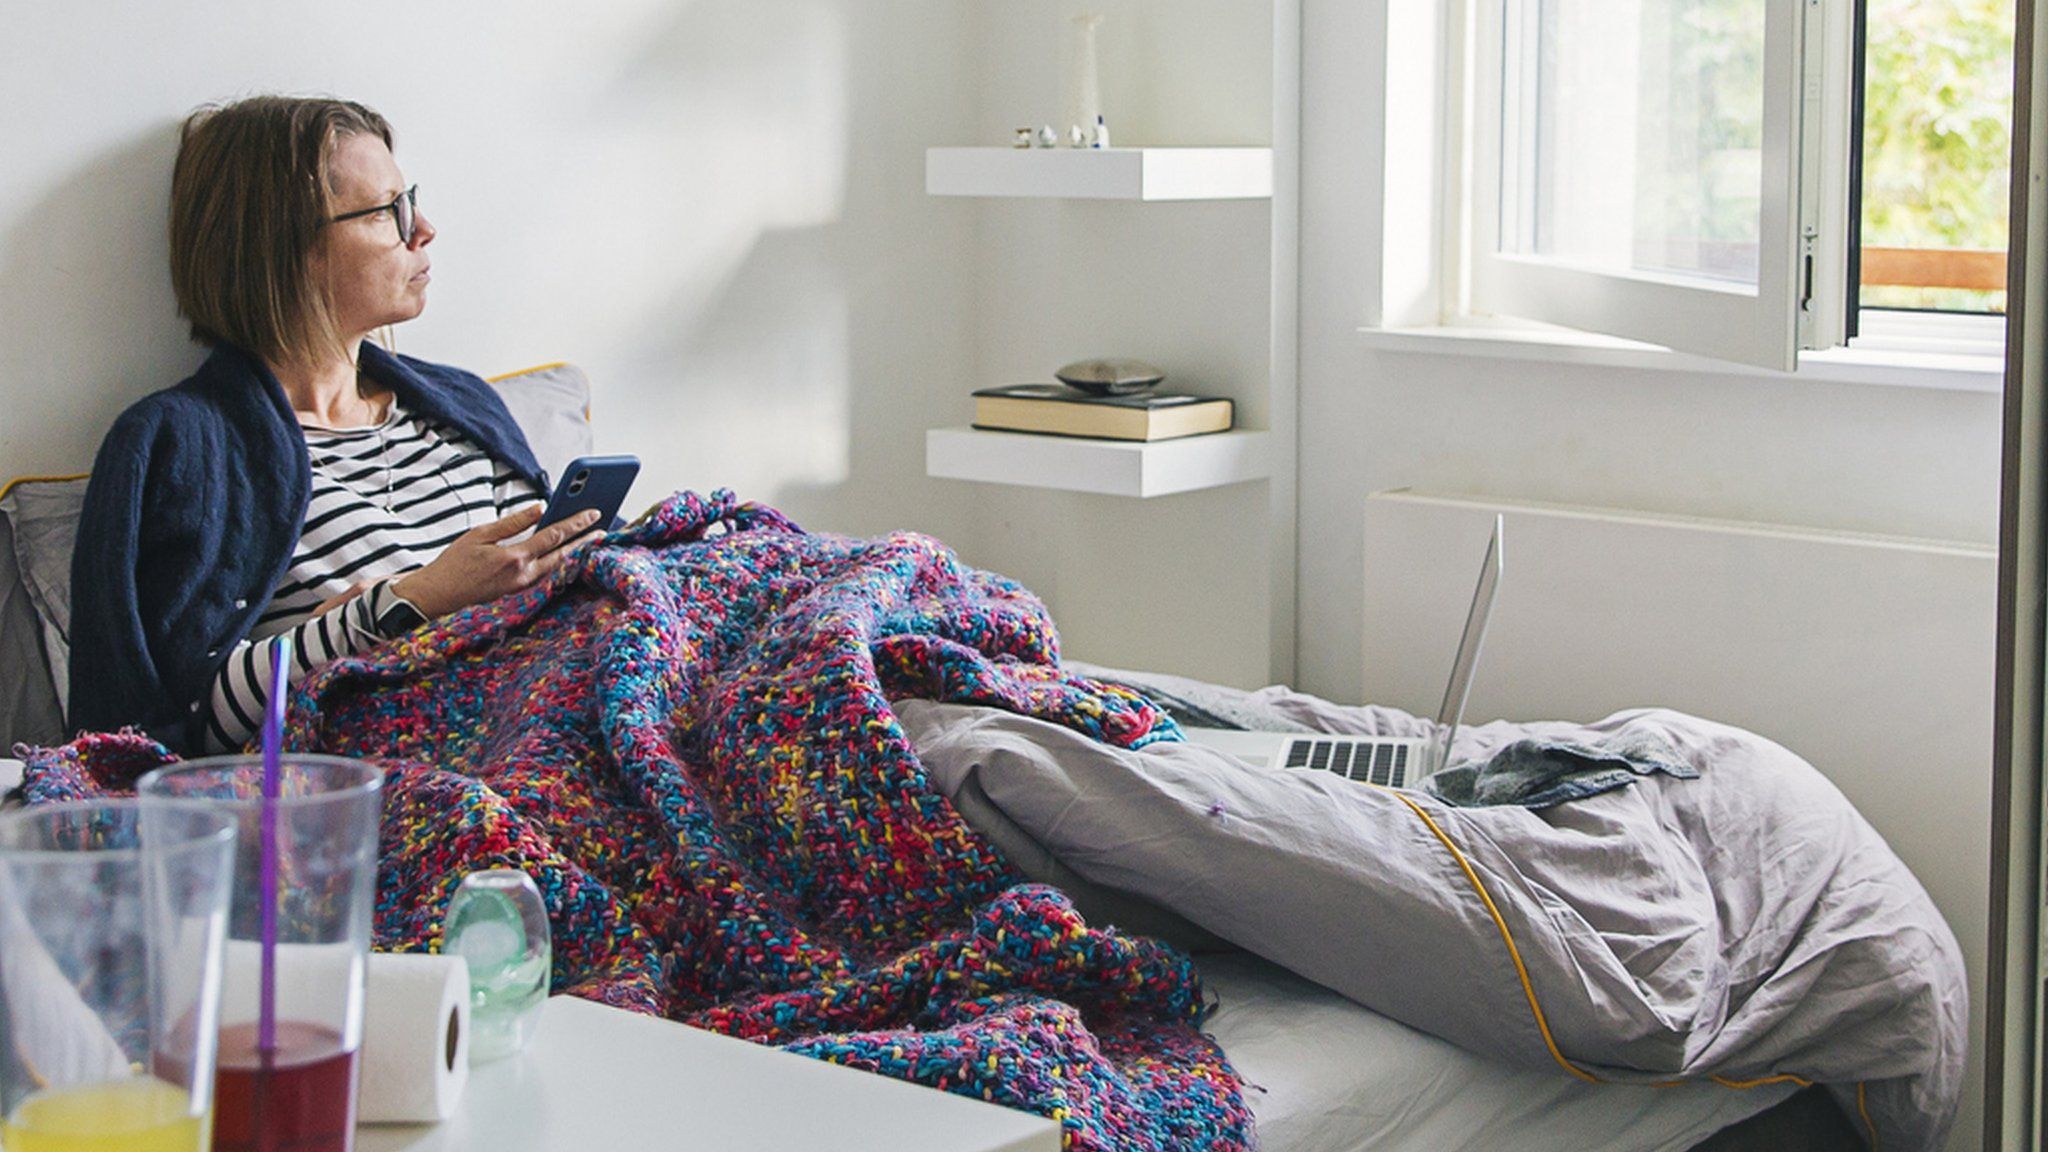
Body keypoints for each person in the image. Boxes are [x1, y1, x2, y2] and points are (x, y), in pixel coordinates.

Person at [68, 96, 601, 754]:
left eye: (412, 199)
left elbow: (558, 593)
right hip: (413, 773)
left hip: (563, 719)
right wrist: (405, 602)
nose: (424, 229)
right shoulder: (180, 444)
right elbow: (180, 722)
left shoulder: (460, 402)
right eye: (389, 211)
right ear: (289, 248)